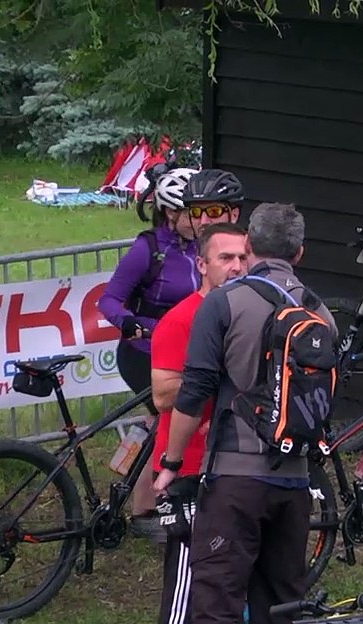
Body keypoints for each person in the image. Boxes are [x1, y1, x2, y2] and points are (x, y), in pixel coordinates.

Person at [153, 202, 335, 624]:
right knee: (286, 606)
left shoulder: (225, 303)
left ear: (249, 247)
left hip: (233, 477)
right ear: (300, 252)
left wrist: (171, 462)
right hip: (295, 479)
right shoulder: (318, 310)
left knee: (216, 606)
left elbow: (194, 392)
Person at [98, 167, 245, 537]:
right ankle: (144, 509)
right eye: (191, 213)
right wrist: (132, 323)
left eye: (209, 213)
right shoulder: (148, 249)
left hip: (192, 344)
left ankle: (144, 492)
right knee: (164, 418)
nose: (200, 222)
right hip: (145, 348)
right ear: (170, 213)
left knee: (160, 423)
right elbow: (109, 299)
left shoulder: (206, 249)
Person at [147, 222, 249, 624]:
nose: (236, 266)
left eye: (243, 257)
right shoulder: (180, 319)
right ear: (202, 264)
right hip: (186, 467)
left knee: (224, 577)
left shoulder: (250, 312)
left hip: (235, 465)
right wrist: (214, 370)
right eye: (225, 258)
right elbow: (162, 394)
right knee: (186, 578)